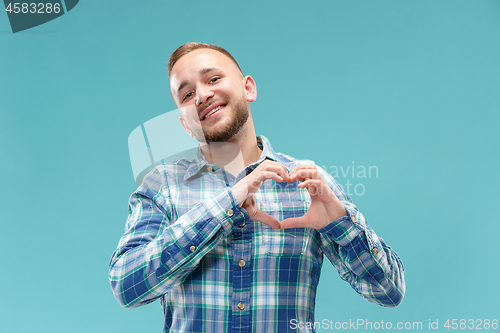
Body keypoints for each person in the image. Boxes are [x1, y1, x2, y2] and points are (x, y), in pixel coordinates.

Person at [109, 42, 405, 333]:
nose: (202, 95)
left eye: (213, 79)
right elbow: (127, 286)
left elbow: (389, 291)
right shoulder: (162, 186)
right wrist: (230, 201)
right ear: (185, 124)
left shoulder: (308, 184)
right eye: (187, 94)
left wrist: (341, 222)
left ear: (248, 88)